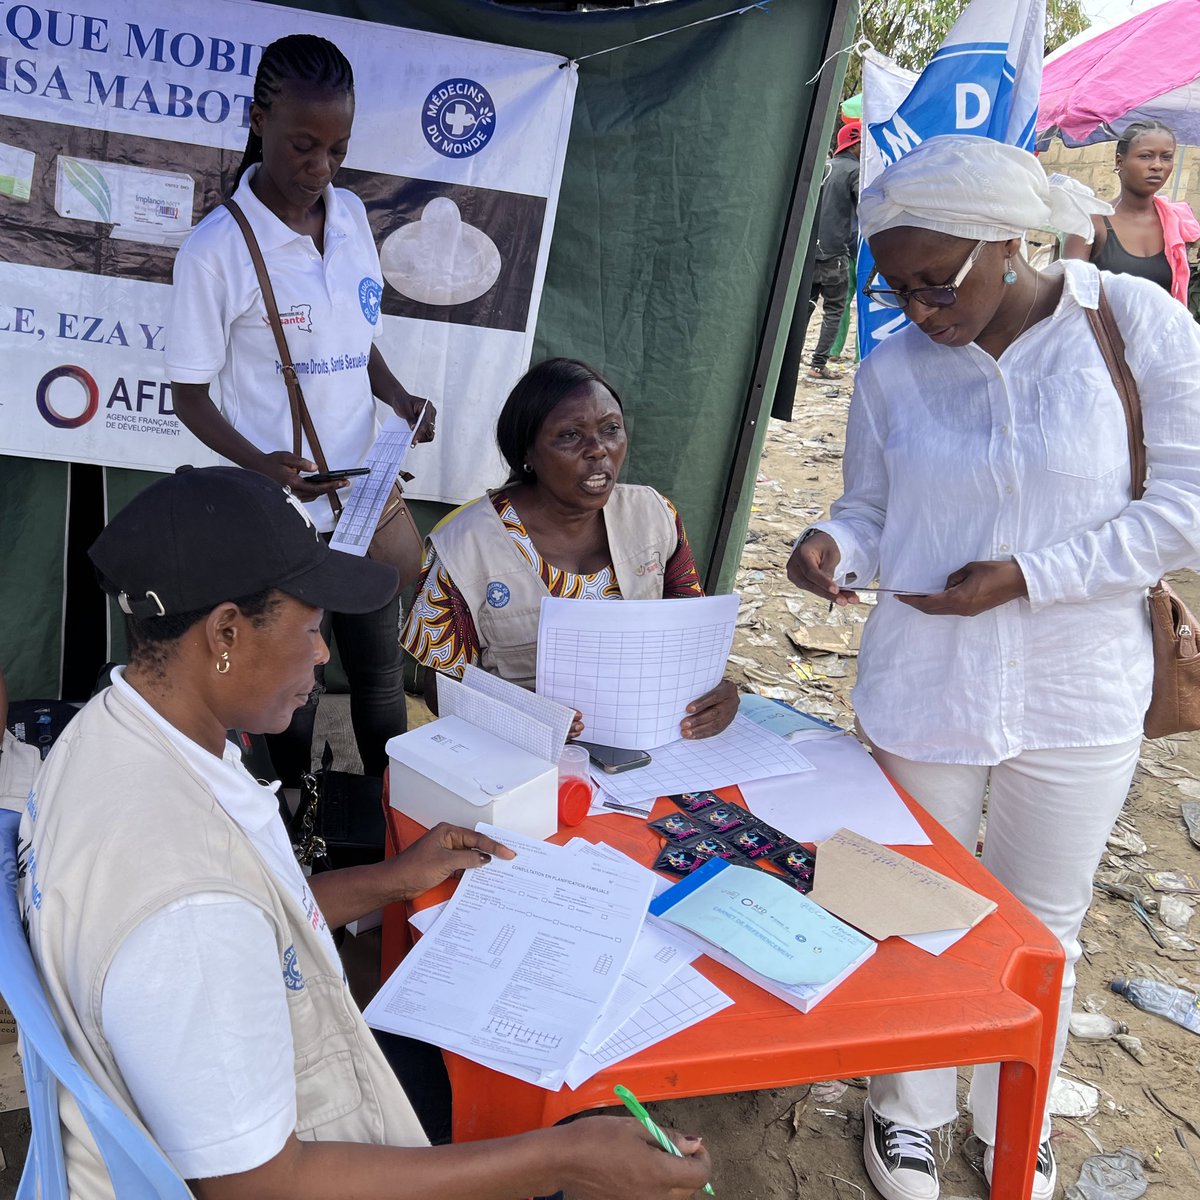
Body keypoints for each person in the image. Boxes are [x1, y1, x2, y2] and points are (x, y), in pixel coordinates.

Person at [17, 466, 712, 1200]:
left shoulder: (110, 728)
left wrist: (391, 880)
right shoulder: (189, 914)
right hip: (268, 1165)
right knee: (565, 1133)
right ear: (224, 631)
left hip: (230, 1089)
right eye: (312, 629)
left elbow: (251, 912)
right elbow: (259, 1188)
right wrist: (560, 1161)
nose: (323, 656)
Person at [786, 136, 1200, 1200]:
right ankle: (909, 1110)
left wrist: (1027, 576)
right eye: (899, 290)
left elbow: (1184, 514)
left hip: (1082, 684)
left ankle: (1009, 1104)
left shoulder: (1132, 324)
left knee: (1040, 916)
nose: (920, 312)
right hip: (929, 677)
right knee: (915, 897)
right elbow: (874, 510)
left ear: (1007, 242)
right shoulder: (891, 371)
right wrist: (838, 546)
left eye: (937, 284)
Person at [166, 34, 433, 785]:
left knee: (382, 680)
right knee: (293, 693)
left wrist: (398, 396)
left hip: (364, 500)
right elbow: (189, 395)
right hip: (283, 518)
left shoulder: (348, 215)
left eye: (337, 150)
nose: (320, 169)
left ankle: (388, 817)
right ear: (258, 120)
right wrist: (264, 464)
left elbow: (360, 338)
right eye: (303, 147)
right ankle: (296, 830)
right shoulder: (216, 251)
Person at [401, 358, 739, 739]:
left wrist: (716, 696)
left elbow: (689, 640)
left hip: (646, 747)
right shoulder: (463, 547)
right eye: (570, 436)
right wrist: (526, 718)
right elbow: (441, 691)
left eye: (611, 429)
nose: (598, 450)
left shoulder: (655, 516)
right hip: (515, 754)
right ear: (526, 452)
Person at [1064, 119, 1200, 301]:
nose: (1157, 165)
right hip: (1101, 329)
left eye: (1166, 157)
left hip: (1162, 329)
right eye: (1145, 156)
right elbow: (1069, 297)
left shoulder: (1177, 223)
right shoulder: (1090, 224)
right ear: (1120, 161)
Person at [805, 121, 861, 379]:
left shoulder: (823, 166)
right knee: (834, 310)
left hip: (808, 252)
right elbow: (866, 205)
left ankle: (786, 360)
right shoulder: (855, 171)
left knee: (804, 307)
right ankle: (818, 364)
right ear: (856, 144)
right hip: (835, 254)